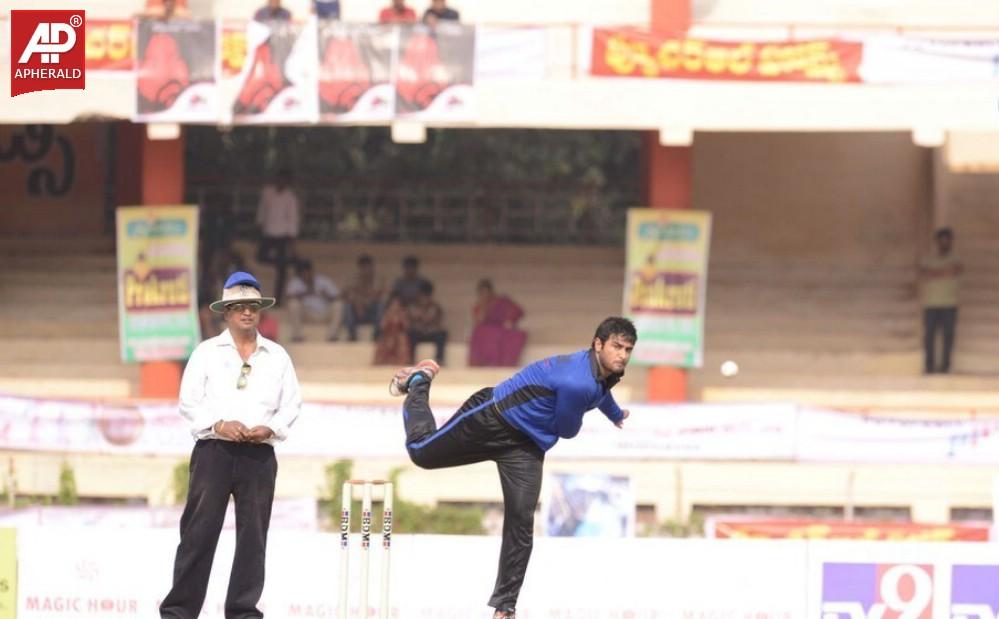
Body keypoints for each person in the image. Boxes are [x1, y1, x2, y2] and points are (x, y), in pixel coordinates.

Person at [388, 316, 637, 619]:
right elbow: (568, 428)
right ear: (598, 344)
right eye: (617, 347)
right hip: (492, 418)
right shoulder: (577, 381)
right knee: (421, 453)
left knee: (521, 523)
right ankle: (419, 381)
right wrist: (587, 412)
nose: (622, 355)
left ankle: (505, 607)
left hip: (525, 447)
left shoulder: (598, 371)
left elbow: (600, 393)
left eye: (628, 349)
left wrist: (614, 414)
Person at [161, 271, 301, 619]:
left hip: (259, 454)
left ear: (260, 311)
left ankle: (242, 611)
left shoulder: (277, 355)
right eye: (238, 307)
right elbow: (188, 402)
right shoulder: (207, 352)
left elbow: (291, 404)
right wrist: (219, 424)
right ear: (226, 312)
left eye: (252, 306)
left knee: (253, 537)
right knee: (198, 534)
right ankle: (179, 612)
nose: (247, 313)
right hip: (214, 452)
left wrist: (269, 428)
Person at [919, 227, 963, 374]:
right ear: (937, 242)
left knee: (948, 335)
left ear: (951, 242)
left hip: (950, 304)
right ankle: (929, 366)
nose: (944, 243)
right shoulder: (928, 258)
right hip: (930, 304)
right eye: (941, 240)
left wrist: (934, 273)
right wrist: (944, 272)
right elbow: (924, 273)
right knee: (929, 336)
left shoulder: (956, 258)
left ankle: (945, 367)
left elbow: (954, 270)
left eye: (947, 240)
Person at [256, 168, 300, 306]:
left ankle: (278, 300)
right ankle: (280, 261)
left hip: (283, 237)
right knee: (260, 256)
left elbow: (292, 220)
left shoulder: (290, 198)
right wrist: (258, 227)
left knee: (282, 269)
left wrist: (292, 241)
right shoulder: (267, 192)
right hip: (268, 234)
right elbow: (262, 212)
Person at [469, 279, 526, 367]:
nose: (485, 295)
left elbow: (517, 311)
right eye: (482, 293)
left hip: (500, 329)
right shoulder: (479, 306)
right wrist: (483, 307)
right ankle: (481, 363)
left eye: (487, 292)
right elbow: (478, 321)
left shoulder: (500, 301)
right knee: (479, 332)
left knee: (514, 336)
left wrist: (509, 320)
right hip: (486, 329)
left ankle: (502, 363)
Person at [285, 260, 342, 343]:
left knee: (338, 304)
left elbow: (337, 296)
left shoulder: (323, 280)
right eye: (303, 273)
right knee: (293, 304)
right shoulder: (295, 283)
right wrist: (304, 293)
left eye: (308, 272)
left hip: (324, 313)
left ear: (312, 271)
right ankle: (297, 335)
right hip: (307, 314)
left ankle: (332, 335)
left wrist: (326, 295)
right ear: (299, 274)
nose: (306, 275)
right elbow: (288, 297)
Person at [342, 254, 386, 341]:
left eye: (369, 267)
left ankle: (377, 334)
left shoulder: (378, 279)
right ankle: (352, 334)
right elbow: (347, 294)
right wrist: (358, 304)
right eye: (364, 267)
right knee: (347, 306)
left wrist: (362, 303)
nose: (367, 270)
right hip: (356, 315)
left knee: (381, 305)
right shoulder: (353, 278)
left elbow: (376, 295)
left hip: (371, 313)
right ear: (360, 268)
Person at [407, 280, 448, 365]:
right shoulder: (413, 306)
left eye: (426, 296)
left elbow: (435, 321)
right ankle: (410, 359)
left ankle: (439, 359)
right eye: (422, 296)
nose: (424, 299)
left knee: (442, 334)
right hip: (418, 333)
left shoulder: (435, 307)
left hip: (431, 333)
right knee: (411, 334)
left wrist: (423, 317)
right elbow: (411, 320)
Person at [374, 294, 411, 365]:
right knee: (386, 341)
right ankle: (384, 362)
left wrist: (402, 317)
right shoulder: (387, 313)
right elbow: (382, 326)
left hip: (399, 334)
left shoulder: (403, 313)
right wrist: (388, 317)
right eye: (393, 304)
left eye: (397, 304)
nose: (395, 306)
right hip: (388, 334)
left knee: (402, 339)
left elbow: (407, 327)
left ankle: (400, 362)